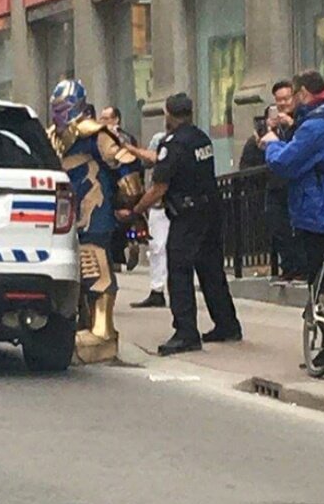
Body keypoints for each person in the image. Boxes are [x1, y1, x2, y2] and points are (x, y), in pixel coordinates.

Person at [125, 93, 242, 355]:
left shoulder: (173, 143)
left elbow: (159, 187)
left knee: (179, 271)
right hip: (210, 210)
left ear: (168, 114)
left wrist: (136, 210)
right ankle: (227, 324)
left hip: (188, 215)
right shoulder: (201, 138)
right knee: (211, 269)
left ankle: (186, 333)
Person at [48, 79, 144, 364]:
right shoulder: (52, 135)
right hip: (63, 210)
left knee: (94, 265)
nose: (59, 114)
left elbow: (124, 161)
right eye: (56, 108)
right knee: (71, 268)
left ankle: (103, 330)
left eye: (63, 108)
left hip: (94, 207)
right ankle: (81, 323)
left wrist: (128, 197)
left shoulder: (95, 134)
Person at [261, 70, 324, 285]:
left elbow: (285, 162)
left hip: (320, 210)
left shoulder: (315, 126)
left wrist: (272, 144)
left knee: (321, 275)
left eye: (293, 94)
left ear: (303, 92)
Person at [261, 80, 306, 280]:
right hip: (276, 183)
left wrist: (291, 124)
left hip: (294, 181)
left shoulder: (301, 120)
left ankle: (300, 267)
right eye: (278, 100)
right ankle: (287, 267)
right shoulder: (274, 123)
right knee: (277, 225)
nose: (282, 103)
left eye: (286, 98)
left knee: (296, 227)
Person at [126, 131, 170, 309]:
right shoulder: (159, 139)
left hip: (170, 203)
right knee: (157, 248)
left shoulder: (173, 143)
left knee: (166, 248)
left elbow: (152, 159)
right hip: (158, 205)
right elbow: (147, 162)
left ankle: (168, 289)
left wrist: (130, 149)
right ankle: (157, 289)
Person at [100, 105, 140, 271]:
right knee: (126, 219)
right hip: (127, 184)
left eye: (106, 118)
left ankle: (117, 255)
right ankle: (131, 241)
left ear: (116, 119)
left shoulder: (116, 139)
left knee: (113, 218)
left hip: (117, 184)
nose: (103, 122)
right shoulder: (127, 138)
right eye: (101, 118)